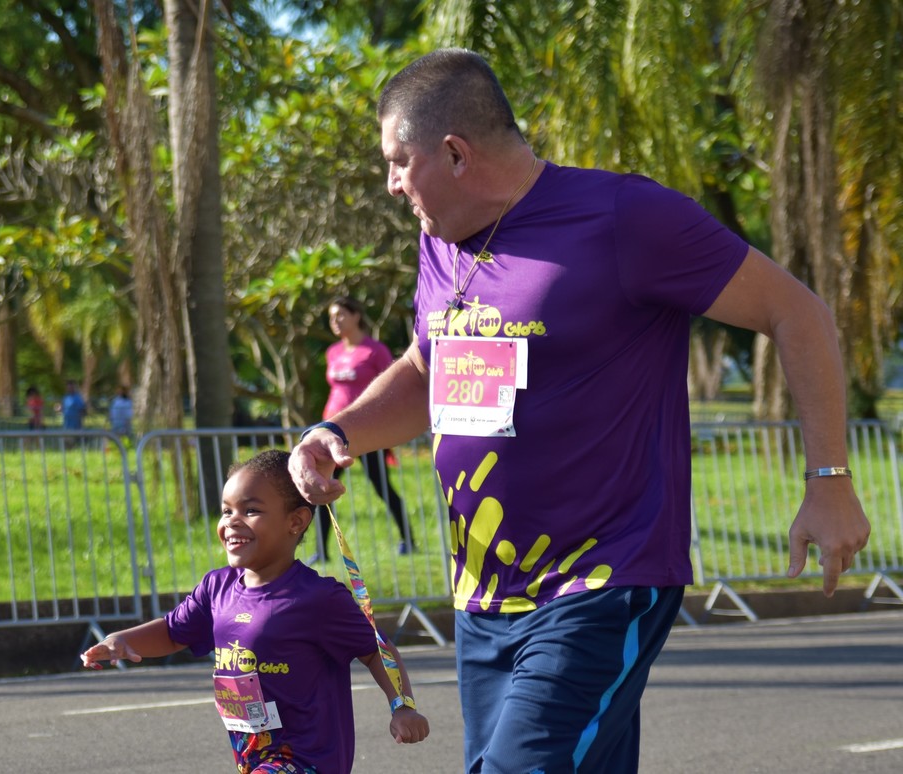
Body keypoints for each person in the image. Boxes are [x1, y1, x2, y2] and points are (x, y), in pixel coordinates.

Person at [288, 48, 871, 774]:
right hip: (484, 597)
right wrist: (336, 432)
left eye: (399, 162)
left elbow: (798, 312)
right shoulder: (440, 243)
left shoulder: (624, 216)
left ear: (456, 153)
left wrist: (829, 479)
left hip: (601, 582)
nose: (391, 183)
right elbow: (425, 371)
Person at [81, 449, 430, 773]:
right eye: (226, 511)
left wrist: (402, 706)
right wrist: (122, 640)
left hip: (307, 760)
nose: (232, 521)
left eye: (250, 511)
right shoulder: (216, 588)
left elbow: (375, 650)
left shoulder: (318, 598)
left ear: (296, 521)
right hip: (253, 759)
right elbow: (174, 633)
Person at [312, 296, 413, 562]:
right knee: (323, 489)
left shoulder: (375, 351)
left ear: (356, 315)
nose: (335, 321)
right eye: (331, 317)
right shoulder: (333, 352)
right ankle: (321, 551)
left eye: (340, 315)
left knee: (382, 487)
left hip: (366, 431)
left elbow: (392, 387)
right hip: (333, 432)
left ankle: (408, 539)